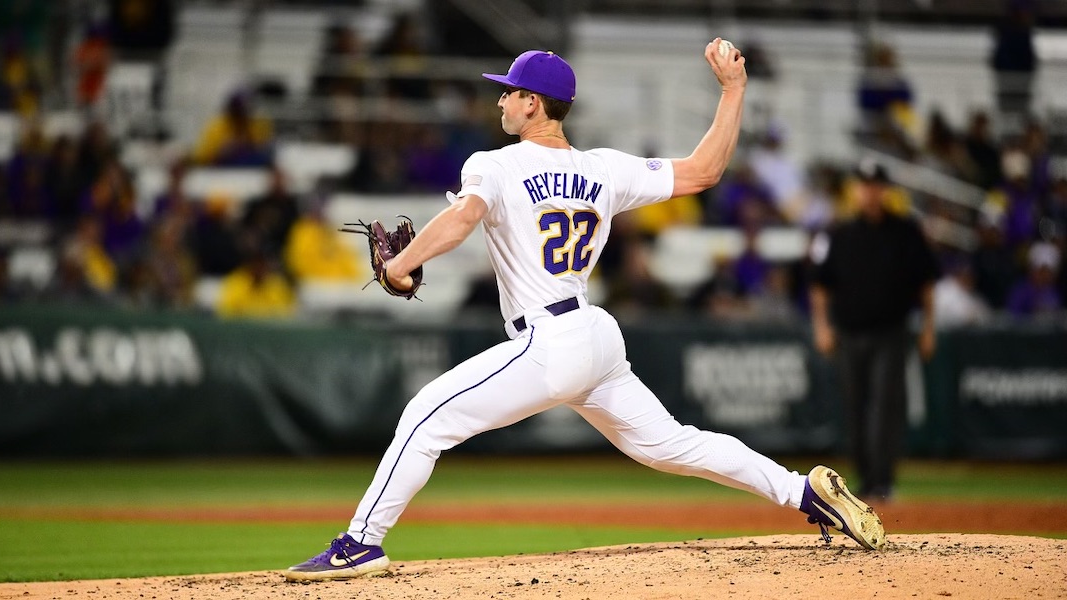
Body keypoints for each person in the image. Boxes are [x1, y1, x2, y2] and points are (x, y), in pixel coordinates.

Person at [285, 42, 886, 582]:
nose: (501, 102)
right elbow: (705, 171)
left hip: (547, 340)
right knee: (670, 444)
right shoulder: (603, 168)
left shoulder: (494, 164)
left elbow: (465, 217)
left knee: (424, 418)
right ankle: (802, 492)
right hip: (594, 335)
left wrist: (399, 265)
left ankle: (360, 544)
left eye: (509, 92)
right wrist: (733, 91)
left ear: (533, 103)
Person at [809, 159, 940, 503]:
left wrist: (929, 328)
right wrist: (822, 327)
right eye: (864, 185)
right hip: (849, 334)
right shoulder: (839, 233)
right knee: (854, 408)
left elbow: (926, 284)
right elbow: (820, 286)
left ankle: (883, 482)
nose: (869, 192)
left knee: (885, 406)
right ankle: (866, 482)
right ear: (856, 190)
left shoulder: (906, 230)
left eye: (875, 186)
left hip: (890, 332)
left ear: (884, 190)